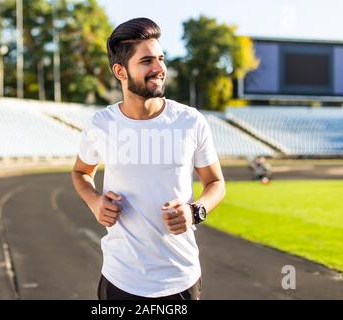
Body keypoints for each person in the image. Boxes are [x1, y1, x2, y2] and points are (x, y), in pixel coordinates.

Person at [71, 17, 226, 300]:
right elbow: (81, 172)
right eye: (146, 62)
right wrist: (95, 203)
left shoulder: (190, 121)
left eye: (161, 58)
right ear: (120, 71)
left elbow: (215, 182)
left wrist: (195, 211)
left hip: (180, 278)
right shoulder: (101, 124)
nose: (159, 69)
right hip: (120, 279)